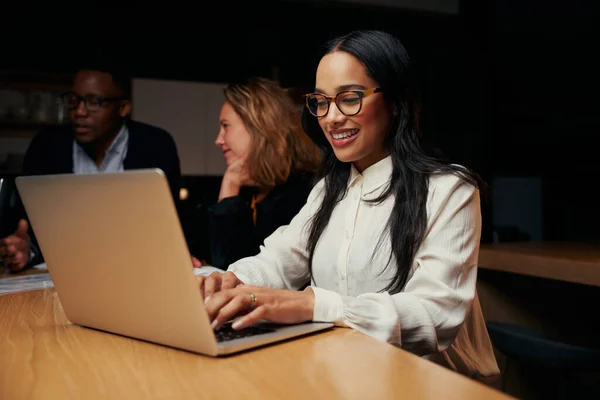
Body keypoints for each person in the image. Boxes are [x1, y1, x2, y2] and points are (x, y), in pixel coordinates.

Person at [196, 30, 499, 380]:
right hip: (349, 375)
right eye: (321, 102)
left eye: (350, 98)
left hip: (436, 385)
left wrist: (314, 305)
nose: (331, 117)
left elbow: (435, 314)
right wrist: (226, 282)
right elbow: (279, 260)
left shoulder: (448, 188)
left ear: (396, 101)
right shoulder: (330, 189)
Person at [0, 64, 181, 272]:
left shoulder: (156, 145)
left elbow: (168, 227)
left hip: (136, 270)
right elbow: (34, 230)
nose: (79, 111)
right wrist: (26, 249)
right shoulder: (46, 146)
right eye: (74, 100)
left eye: (95, 102)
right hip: (64, 273)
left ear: (123, 108)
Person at [191, 77, 319, 270]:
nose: (218, 140)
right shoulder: (244, 190)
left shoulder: (305, 194)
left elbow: (237, 271)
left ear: (258, 126)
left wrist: (230, 185)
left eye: (225, 126)